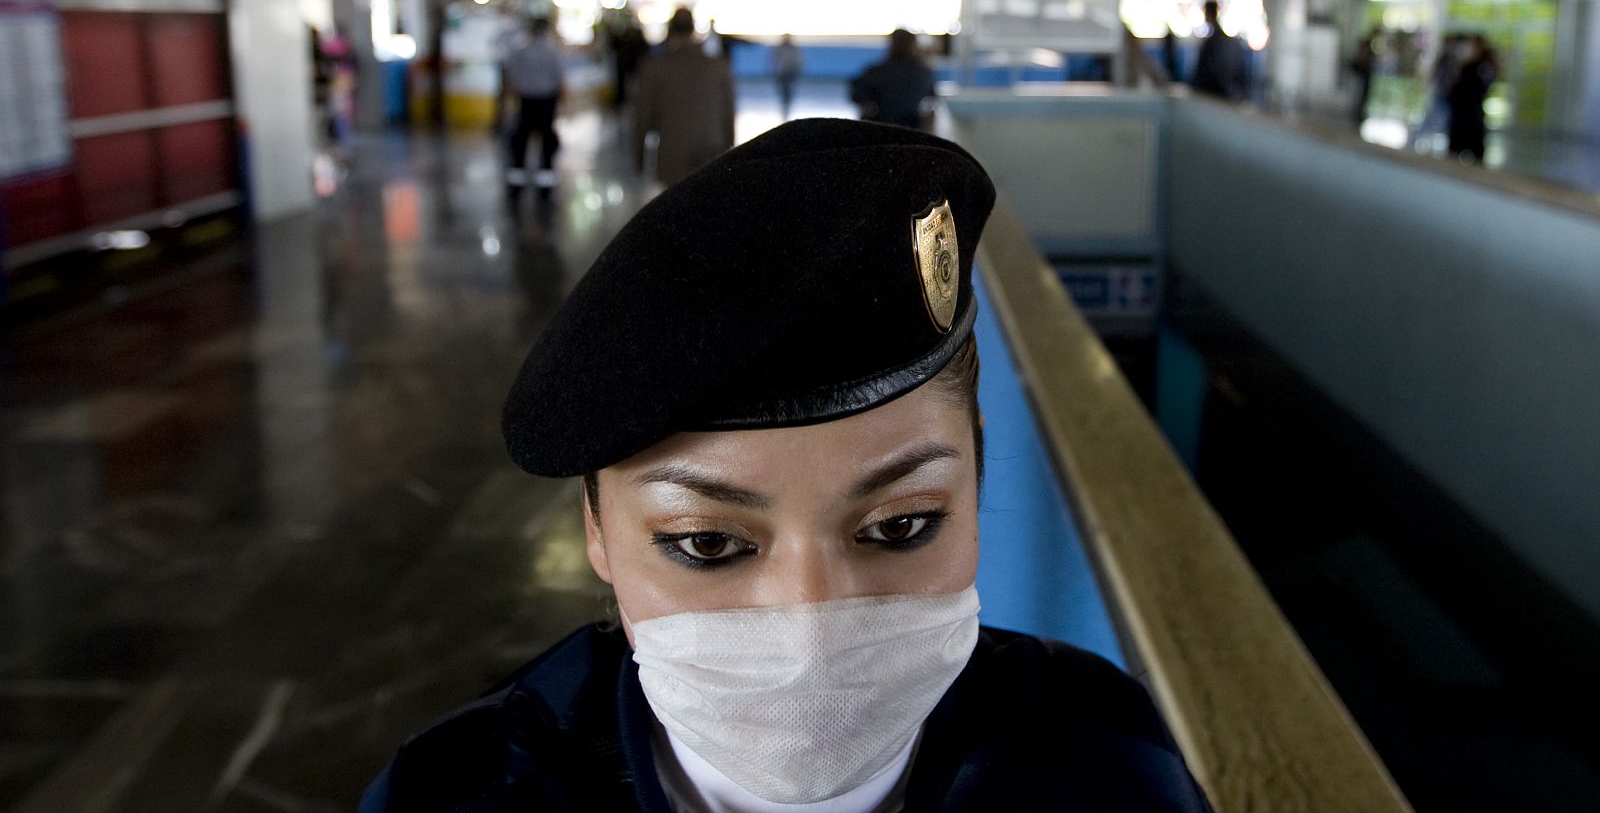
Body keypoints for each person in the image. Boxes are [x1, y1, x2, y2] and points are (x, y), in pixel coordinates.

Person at [358, 118, 1214, 813]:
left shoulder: (1110, 759)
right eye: (705, 544)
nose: (811, 625)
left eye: (901, 525)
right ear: (597, 530)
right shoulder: (455, 793)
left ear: (979, 478)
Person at [633, 7, 736, 185]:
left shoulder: (654, 67)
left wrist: (639, 158)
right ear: (692, 30)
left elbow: (643, 116)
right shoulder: (717, 66)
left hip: (672, 154)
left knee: (677, 207)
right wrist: (730, 152)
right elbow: (728, 112)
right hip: (711, 151)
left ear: (670, 31)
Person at [501, 16, 565, 191]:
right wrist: (563, 101)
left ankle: (518, 170)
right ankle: (545, 171)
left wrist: (508, 101)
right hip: (546, 100)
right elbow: (560, 80)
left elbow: (510, 79)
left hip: (526, 100)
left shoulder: (519, 52)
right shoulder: (552, 53)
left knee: (521, 135)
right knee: (546, 135)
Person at [850, 29, 937, 129]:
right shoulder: (923, 72)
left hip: (880, 126)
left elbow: (856, 95)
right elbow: (932, 96)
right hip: (914, 128)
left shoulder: (877, 71)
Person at [1446, 34, 1497, 163]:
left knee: (1474, 146)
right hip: (1460, 114)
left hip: (1472, 114)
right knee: (1455, 147)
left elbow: (1481, 88)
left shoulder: (1482, 66)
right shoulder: (1461, 65)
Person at [1188, 0, 1248, 102]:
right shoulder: (1220, 38)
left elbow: (1211, 69)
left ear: (1208, 13)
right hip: (1222, 90)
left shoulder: (1215, 41)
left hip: (1214, 92)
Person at [1349, 29, 1378, 129]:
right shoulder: (1367, 45)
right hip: (1364, 73)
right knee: (1362, 94)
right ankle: (1358, 113)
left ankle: (1359, 113)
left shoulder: (1368, 44)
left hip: (1365, 73)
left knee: (1363, 94)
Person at [771, 33, 803, 120]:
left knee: (787, 89)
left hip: (789, 72)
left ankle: (786, 103)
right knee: (784, 89)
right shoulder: (780, 48)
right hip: (783, 72)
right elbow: (774, 59)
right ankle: (785, 102)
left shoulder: (793, 48)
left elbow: (798, 60)